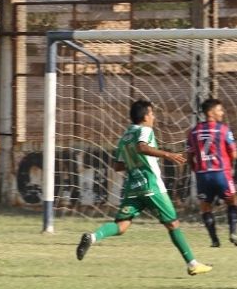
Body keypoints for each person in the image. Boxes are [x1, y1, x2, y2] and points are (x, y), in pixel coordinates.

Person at [76, 99, 212, 276]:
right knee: (173, 224)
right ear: (145, 116)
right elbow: (142, 147)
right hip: (151, 185)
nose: (154, 117)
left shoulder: (125, 136)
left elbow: (118, 166)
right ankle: (192, 264)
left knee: (121, 226)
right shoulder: (145, 130)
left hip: (133, 187)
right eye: (152, 113)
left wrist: (135, 163)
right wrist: (168, 154)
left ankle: (93, 237)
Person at [186, 98, 237, 247]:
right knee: (233, 201)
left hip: (202, 174)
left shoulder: (193, 131)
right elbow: (234, 154)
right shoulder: (223, 129)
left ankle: (214, 240)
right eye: (219, 110)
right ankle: (233, 233)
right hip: (221, 173)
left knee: (205, 206)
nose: (222, 113)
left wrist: (196, 169)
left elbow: (189, 157)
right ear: (210, 113)